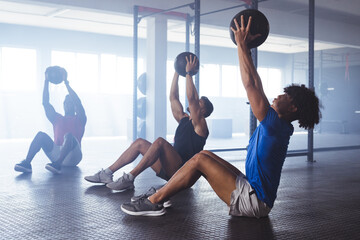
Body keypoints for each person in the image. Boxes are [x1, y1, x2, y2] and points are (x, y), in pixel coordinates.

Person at [120, 15, 321, 217]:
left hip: (254, 202)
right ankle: (161, 195)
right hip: (251, 189)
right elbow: (257, 84)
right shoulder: (278, 124)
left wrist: (240, 45)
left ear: (294, 107)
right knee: (204, 156)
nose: (278, 95)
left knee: (200, 161)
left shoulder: (275, 125)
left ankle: (153, 202)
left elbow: (250, 85)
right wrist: (247, 51)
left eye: (285, 96)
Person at [84, 55, 214, 192]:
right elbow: (173, 97)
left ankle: (129, 178)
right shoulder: (184, 119)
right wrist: (178, 71)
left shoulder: (201, 126)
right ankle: (107, 173)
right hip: (170, 168)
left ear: (203, 111)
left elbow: (192, 98)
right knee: (139, 143)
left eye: (199, 103)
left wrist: (188, 73)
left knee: (160, 142)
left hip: (184, 173)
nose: (194, 103)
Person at [14, 66, 87, 174]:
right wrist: (46, 81)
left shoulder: (80, 118)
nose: (67, 104)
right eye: (65, 102)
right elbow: (46, 103)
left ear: (74, 106)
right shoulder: (56, 118)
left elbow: (78, 102)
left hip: (73, 156)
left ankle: (57, 165)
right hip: (57, 154)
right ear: (63, 104)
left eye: (70, 102)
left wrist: (66, 83)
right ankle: (27, 164)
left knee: (69, 136)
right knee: (40, 135)